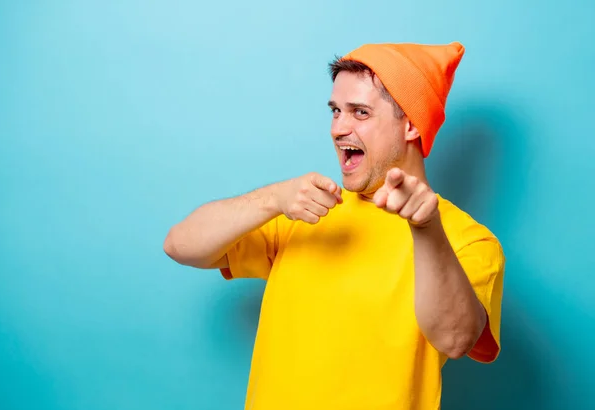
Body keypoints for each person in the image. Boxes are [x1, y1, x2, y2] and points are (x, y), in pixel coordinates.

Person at [163, 41, 505, 410]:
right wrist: (272, 199)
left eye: (360, 112)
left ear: (410, 124)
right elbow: (180, 245)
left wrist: (425, 227)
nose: (338, 128)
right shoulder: (306, 209)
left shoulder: (468, 241)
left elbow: (455, 339)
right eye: (335, 111)